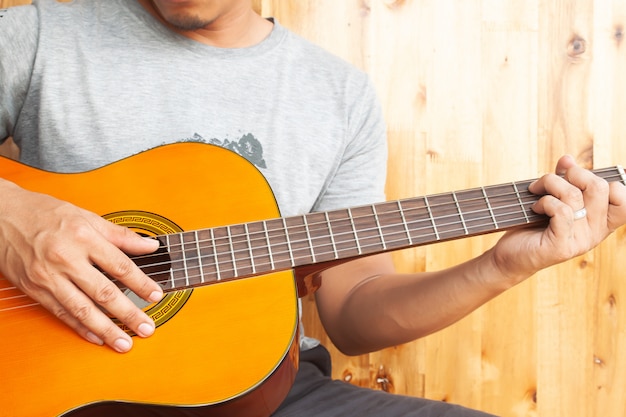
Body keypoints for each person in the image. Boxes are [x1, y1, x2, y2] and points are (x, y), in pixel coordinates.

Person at [1, 1, 625, 416]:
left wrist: (502, 266)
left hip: (262, 394)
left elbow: (353, 313)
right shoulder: (39, 36)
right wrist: (13, 218)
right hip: (56, 391)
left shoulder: (338, 94)